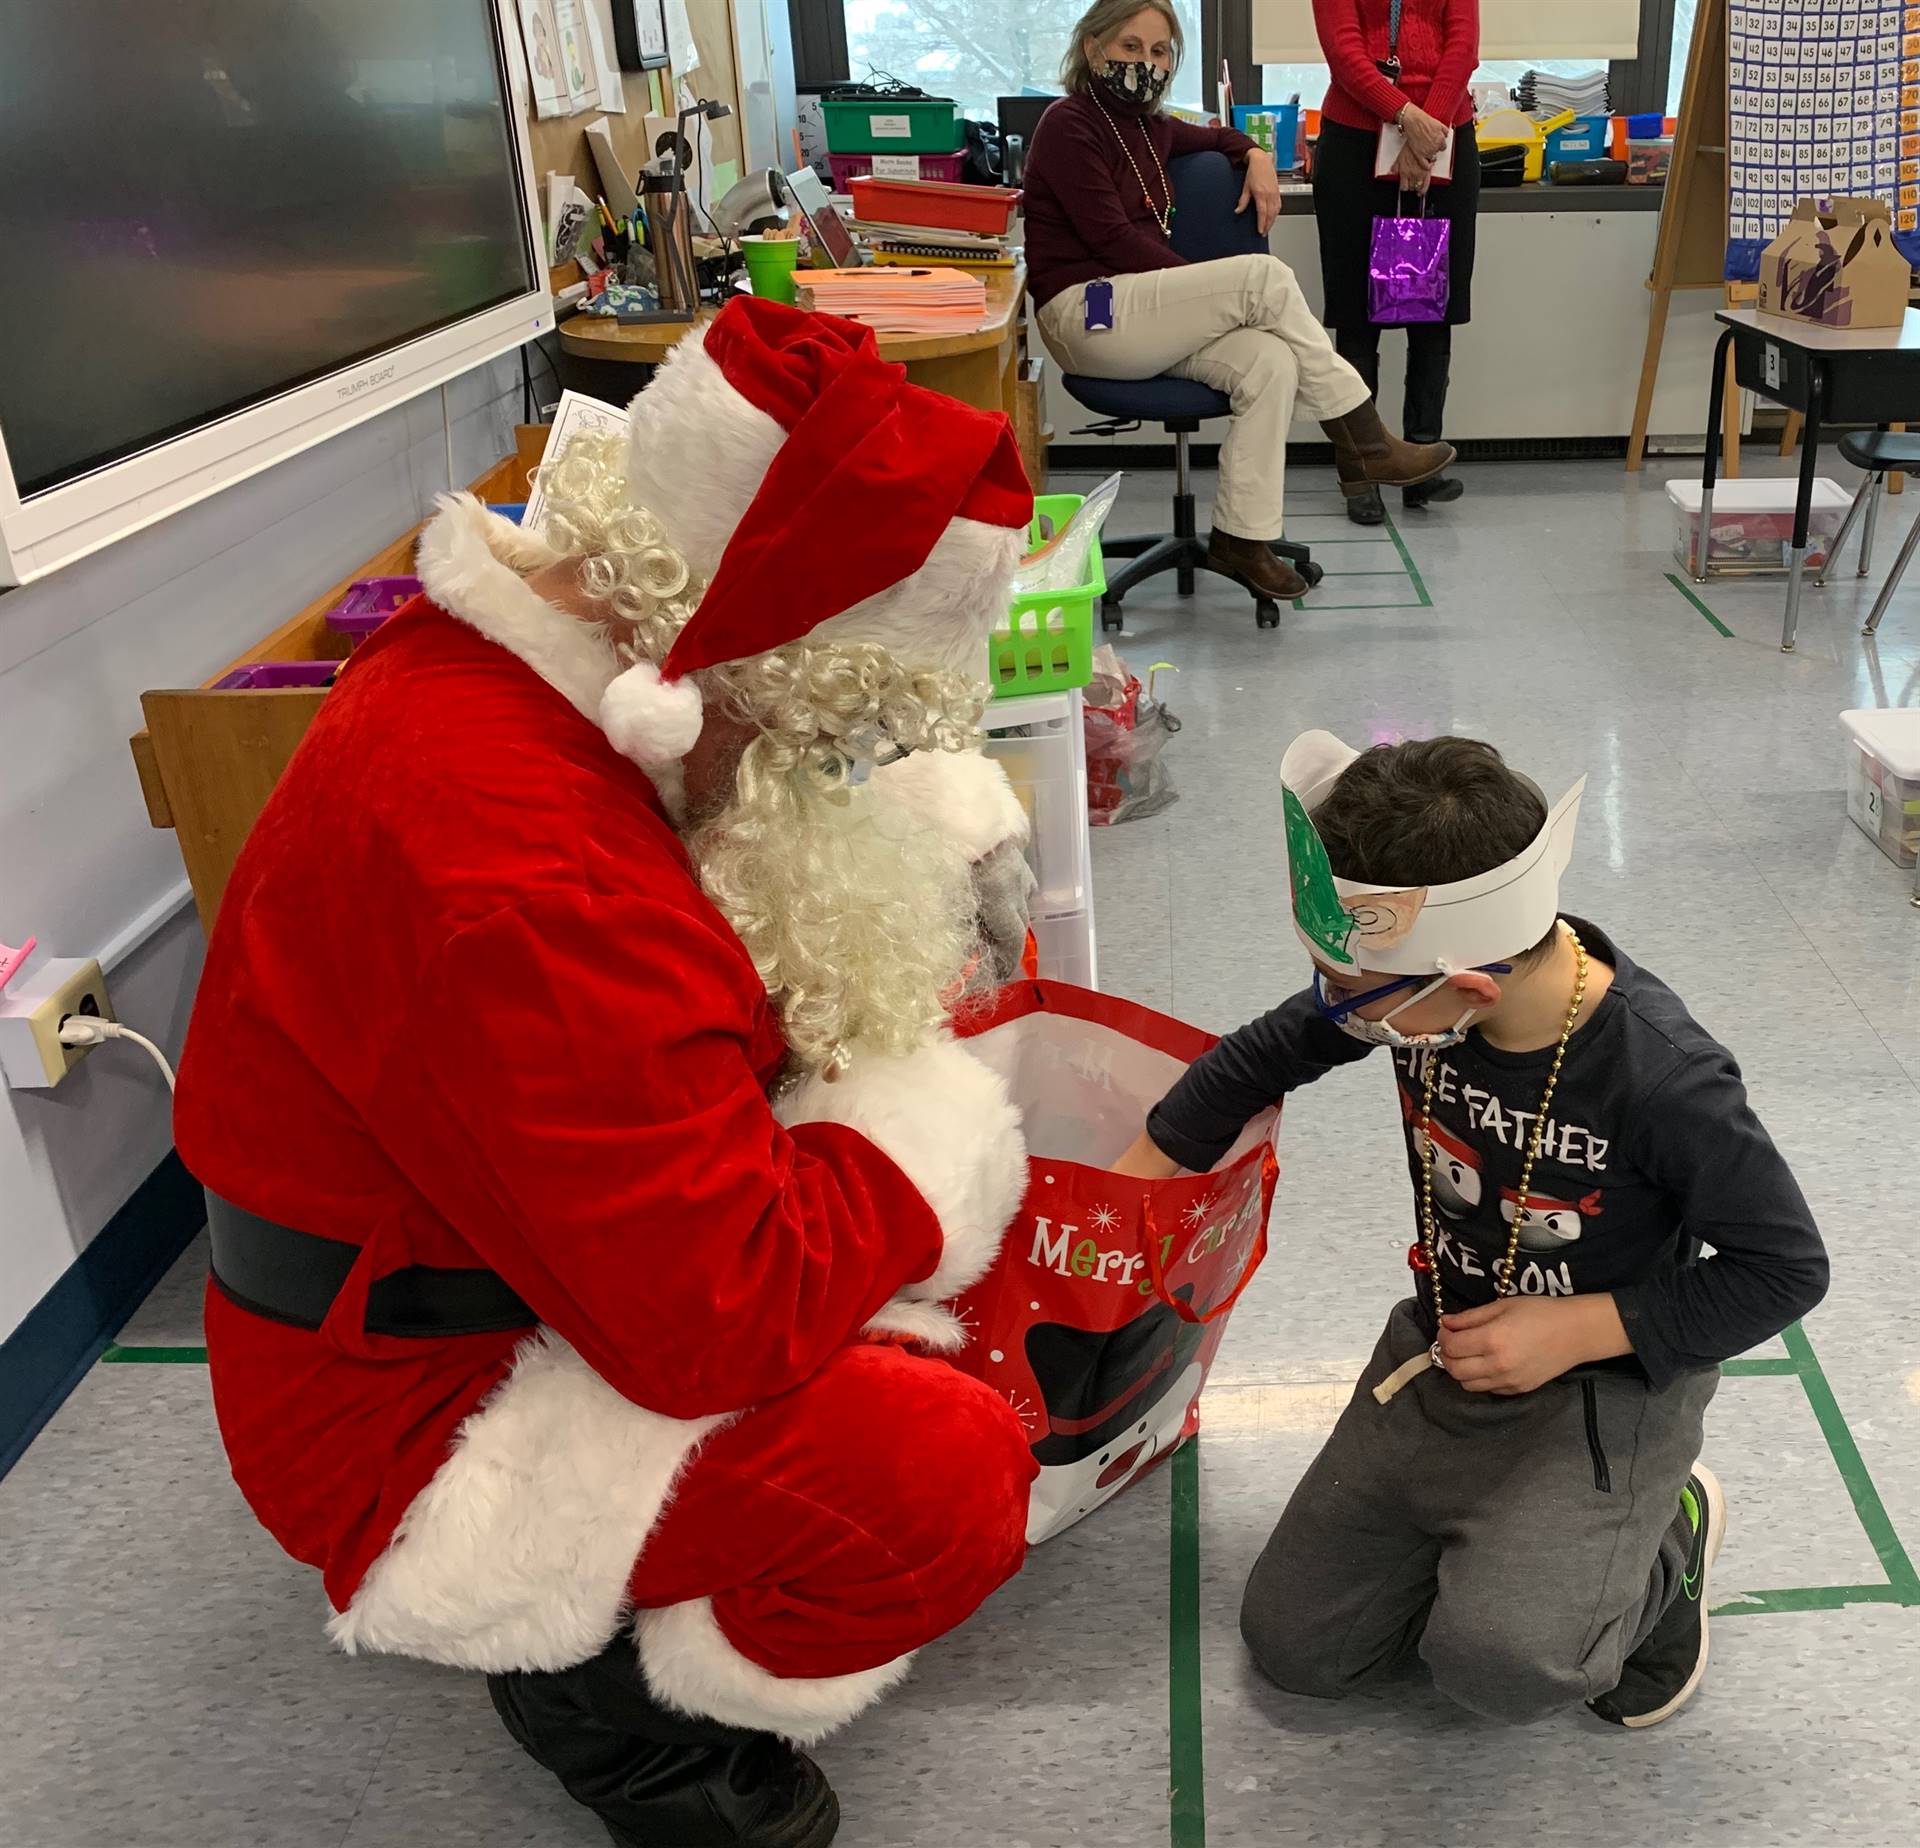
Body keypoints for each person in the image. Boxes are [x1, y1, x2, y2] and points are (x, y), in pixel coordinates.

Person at [172, 297, 1054, 1848]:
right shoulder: (529, 875)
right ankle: (633, 1729)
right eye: (810, 729)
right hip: (414, 1402)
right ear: (722, 651)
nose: (810, 767)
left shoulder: (512, 682)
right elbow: (710, 1327)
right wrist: (921, 1150)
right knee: (945, 1471)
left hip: (462, 1266)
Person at [1113, 733, 1829, 1729]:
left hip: (1605, 1382)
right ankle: (1535, 1554)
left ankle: (1666, 1548)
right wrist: (1129, 1184)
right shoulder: (1410, 989)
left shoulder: (1666, 1083)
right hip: (1448, 1348)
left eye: (1351, 995)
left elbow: (1785, 1271)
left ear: (1474, 990)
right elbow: (1267, 1052)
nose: (1336, 1009)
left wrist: (1579, 1328)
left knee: (1504, 1670)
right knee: (1300, 1649)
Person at [1022, 0, 1454, 603]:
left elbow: (1222, 134)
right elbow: (1111, 241)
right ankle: (1365, 441)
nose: (1144, 63)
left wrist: (1253, 154)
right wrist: (1215, 295)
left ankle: (1241, 540)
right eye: (1128, 47)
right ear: (1093, 47)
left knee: (1268, 362)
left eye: (1159, 51)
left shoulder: (1152, 127)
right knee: (1261, 281)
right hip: (1085, 314)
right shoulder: (1069, 123)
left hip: (1141, 320)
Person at [1311, 0, 1482, 525]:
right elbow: (1345, 53)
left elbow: (1463, 45)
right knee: (1359, 318)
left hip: (1446, 137)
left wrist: (1426, 131)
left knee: (1431, 309)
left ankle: (1422, 459)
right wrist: (1404, 115)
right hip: (1355, 144)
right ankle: (1361, 467)